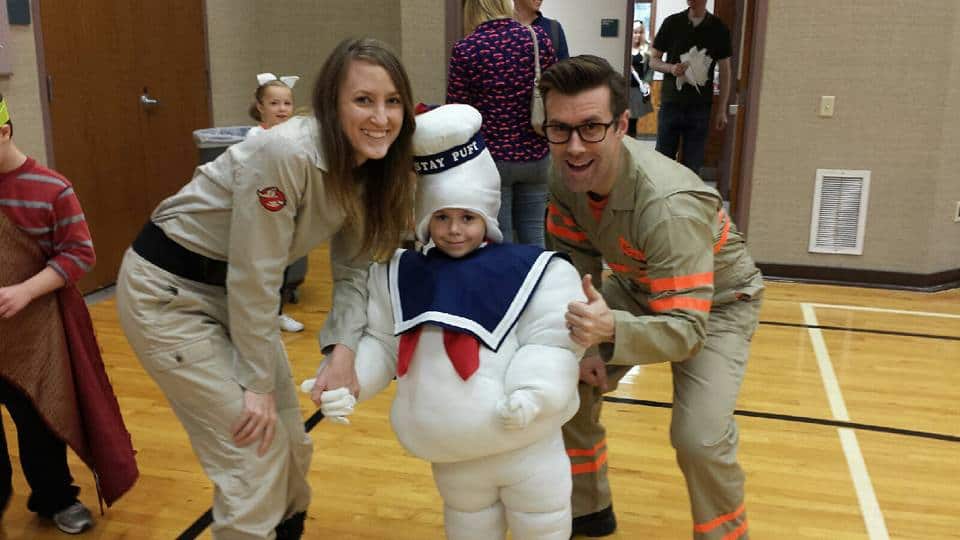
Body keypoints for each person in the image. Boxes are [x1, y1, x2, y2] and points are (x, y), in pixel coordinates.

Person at [115, 37, 416, 539]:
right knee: (252, 456)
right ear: (330, 103)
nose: (380, 117)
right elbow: (256, 274)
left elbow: (356, 267)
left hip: (235, 295)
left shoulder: (375, 167)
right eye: (363, 100)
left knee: (293, 447)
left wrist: (342, 349)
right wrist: (256, 385)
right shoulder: (284, 152)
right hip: (169, 295)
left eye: (392, 102)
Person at [311, 104, 586, 540]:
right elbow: (383, 343)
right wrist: (347, 381)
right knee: (467, 525)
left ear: (487, 218)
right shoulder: (399, 273)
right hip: (454, 456)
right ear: (424, 220)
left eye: (467, 218)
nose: (454, 230)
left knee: (543, 525)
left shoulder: (537, 272)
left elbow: (550, 344)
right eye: (441, 217)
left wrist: (534, 394)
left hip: (527, 446)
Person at [538, 56, 763, 539]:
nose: (574, 147)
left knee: (698, 439)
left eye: (591, 128)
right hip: (635, 284)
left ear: (622, 125)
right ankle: (588, 511)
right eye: (560, 129)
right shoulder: (562, 177)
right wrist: (588, 348)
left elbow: (686, 330)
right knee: (563, 384)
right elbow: (573, 263)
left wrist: (610, 333)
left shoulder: (668, 206)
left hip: (717, 304)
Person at [0, 94, 138, 534]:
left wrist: (25, 291)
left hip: (33, 332)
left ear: (3, 132)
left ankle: (55, 497)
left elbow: (80, 254)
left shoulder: (51, 188)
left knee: (40, 422)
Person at [448, 0, 557, 247]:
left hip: (492, 160)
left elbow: (458, 111)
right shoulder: (537, 38)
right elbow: (555, 91)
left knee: (501, 236)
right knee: (534, 232)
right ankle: (538, 282)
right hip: (536, 154)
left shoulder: (466, 49)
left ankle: (508, 284)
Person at [246, 72, 307, 334]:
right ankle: (258, 318)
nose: (282, 109)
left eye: (286, 103)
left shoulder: (297, 135)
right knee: (261, 268)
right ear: (260, 106)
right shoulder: (254, 136)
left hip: (287, 209)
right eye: (274, 103)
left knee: (283, 265)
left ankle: (278, 312)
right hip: (260, 211)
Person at [648, 0, 732, 178]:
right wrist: (671, 68)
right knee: (663, 159)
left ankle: (686, 202)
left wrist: (722, 109)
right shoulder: (672, 23)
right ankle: (663, 202)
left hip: (700, 106)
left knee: (692, 164)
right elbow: (653, 60)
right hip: (672, 101)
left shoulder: (719, 29)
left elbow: (725, 71)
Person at [627, 20, 654, 137]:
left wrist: (647, 83)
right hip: (624, 91)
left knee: (632, 123)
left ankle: (631, 148)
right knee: (622, 122)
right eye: (634, 32)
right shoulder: (624, 48)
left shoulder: (646, 51)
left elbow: (650, 70)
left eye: (640, 32)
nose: (637, 35)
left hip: (637, 92)